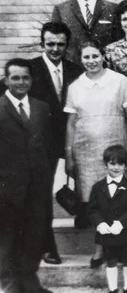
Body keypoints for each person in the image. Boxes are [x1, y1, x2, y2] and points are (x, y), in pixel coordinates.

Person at [64, 40, 127, 266]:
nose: (91, 61)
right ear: (80, 59)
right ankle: (100, 249)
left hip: (114, 147)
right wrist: (69, 154)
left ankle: (119, 248)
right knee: (97, 202)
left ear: (103, 56)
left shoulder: (120, 81)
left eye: (95, 56)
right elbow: (71, 123)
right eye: (86, 57)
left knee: (118, 200)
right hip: (86, 153)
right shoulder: (75, 87)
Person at [26, 22, 84, 265]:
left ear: (67, 45)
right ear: (42, 43)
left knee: (82, 186)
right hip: (41, 143)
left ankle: (85, 223)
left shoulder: (75, 69)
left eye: (61, 44)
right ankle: (47, 246)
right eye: (50, 44)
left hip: (72, 140)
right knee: (40, 193)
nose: (55, 49)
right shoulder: (29, 69)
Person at [0, 58, 54, 293]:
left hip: (37, 185)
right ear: (6, 80)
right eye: (15, 78)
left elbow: (48, 146)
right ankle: (10, 284)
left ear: (31, 80)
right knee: (8, 236)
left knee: (34, 233)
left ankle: (30, 280)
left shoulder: (41, 108)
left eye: (25, 78)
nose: (21, 82)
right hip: (7, 186)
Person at [88, 145, 127, 293]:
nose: (116, 167)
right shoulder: (97, 187)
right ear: (106, 164)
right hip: (106, 232)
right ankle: (112, 292)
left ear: (125, 166)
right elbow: (92, 210)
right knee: (110, 261)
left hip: (124, 231)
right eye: (112, 163)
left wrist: (121, 223)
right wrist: (100, 223)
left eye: (120, 164)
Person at [52, 0, 117, 63]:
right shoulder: (61, 10)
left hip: (105, 72)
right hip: (73, 73)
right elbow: (56, 45)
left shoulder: (113, 9)